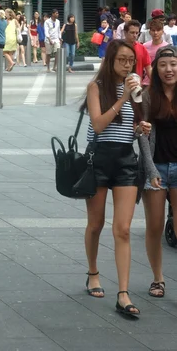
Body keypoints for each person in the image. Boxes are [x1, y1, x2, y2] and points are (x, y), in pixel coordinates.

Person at [81, 39, 152, 317]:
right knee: (96, 224)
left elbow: (129, 129)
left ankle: (123, 293)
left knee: (122, 229)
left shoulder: (136, 90)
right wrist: (123, 97)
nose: (127, 65)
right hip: (98, 158)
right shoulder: (96, 88)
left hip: (125, 160)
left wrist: (140, 128)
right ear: (110, 60)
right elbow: (98, 124)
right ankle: (93, 272)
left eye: (130, 61)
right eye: (122, 60)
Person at [140, 46, 177, 299]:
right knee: (154, 227)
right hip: (156, 168)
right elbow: (142, 136)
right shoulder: (148, 96)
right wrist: (151, 168)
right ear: (156, 69)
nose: (169, 70)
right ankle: (158, 279)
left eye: (173, 64)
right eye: (163, 65)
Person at [142, 19, 169, 86]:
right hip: (145, 82)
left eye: (158, 30)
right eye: (153, 30)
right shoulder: (144, 46)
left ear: (162, 32)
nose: (155, 33)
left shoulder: (167, 47)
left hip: (162, 82)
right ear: (150, 32)